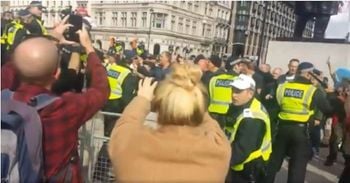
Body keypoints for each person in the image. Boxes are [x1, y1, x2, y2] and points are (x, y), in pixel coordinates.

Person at [1, 15, 109, 182]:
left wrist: (51, 38)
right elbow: (101, 89)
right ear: (57, 73)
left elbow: (11, 68)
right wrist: (89, 48)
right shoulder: (64, 107)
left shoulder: (4, 98)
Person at [108, 64, 231, 182]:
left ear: (159, 106)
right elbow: (213, 128)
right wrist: (193, 99)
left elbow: (126, 123)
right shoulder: (218, 151)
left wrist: (142, 99)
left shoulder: (130, 145)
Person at [263, 62, 333, 183]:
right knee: (297, 167)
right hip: (301, 132)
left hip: (281, 129)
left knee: (272, 163)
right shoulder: (312, 90)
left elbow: (275, 105)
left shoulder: (283, 87)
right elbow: (328, 110)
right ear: (308, 74)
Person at [93, 50, 138, 182]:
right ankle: (102, 172)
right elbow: (127, 99)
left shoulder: (111, 69)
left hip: (107, 106)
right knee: (111, 141)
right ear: (131, 61)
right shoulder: (128, 75)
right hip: (117, 110)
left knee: (108, 139)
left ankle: (102, 171)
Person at [225, 74, 272, 183]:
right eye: (233, 90)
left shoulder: (252, 118)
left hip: (247, 169)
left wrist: (219, 165)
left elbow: (241, 151)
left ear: (250, 93)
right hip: (238, 166)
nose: (233, 95)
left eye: (238, 91)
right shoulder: (239, 106)